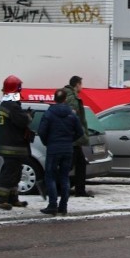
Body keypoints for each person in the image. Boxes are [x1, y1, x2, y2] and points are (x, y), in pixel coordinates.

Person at [38, 88, 84, 216]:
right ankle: (63, 206)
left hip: (53, 149)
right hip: (67, 149)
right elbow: (80, 132)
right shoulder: (72, 114)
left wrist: (47, 142)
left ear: (54, 99)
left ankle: (53, 205)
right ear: (65, 99)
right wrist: (70, 140)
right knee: (64, 177)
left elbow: (41, 131)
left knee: (50, 176)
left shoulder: (49, 113)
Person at [0, 75, 33, 210]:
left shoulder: (6, 104)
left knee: (15, 173)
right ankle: (1, 199)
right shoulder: (11, 106)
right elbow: (22, 121)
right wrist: (28, 116)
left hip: (11, 144)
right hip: (13, 145)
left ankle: (13, 198)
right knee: (9, 173)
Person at [62, 75, 92, 197]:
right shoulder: (72, 98)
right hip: (72, 139)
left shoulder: (68, 95)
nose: (82, 87)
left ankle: (80, 191)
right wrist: (78, 133)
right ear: (77, 84)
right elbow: (72, 118)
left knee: (79, 164)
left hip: (73, 139)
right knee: (69, 166)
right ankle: (46, 185)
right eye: (81, 84)